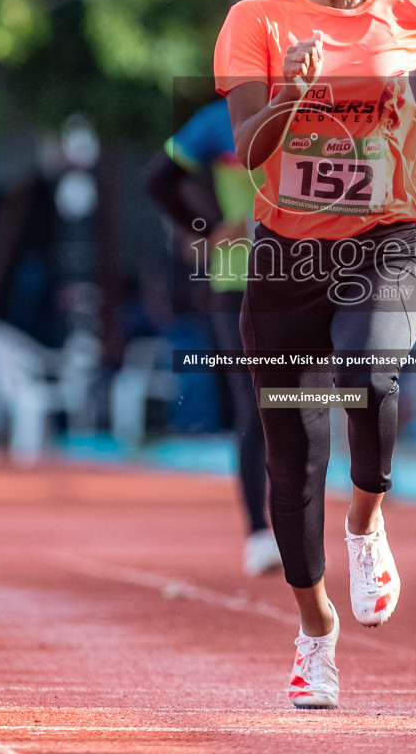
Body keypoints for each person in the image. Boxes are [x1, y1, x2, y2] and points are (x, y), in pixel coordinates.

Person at [215, 0, 416, 710]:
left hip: (389, 240)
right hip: (287, 259)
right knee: (290, 462)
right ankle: (316, 629)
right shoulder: (257, 21)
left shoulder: (414, 15)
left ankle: (366, 522)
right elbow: (249, 147)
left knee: (367, 374)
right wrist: (295, 90)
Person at [144, 97, 279, 577]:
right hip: (239, 281)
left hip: (311, 277)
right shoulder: (218, 121)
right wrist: (205, 227)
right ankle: (259, 532)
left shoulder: (322, 109)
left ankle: (297, 522)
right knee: (256, 402)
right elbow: (157, 180)